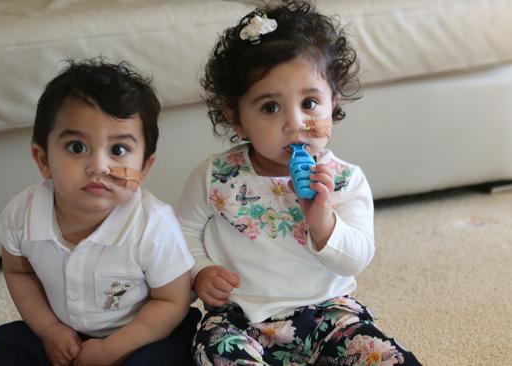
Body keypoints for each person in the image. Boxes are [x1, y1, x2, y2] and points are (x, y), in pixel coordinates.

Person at [177, 1, 421, 364]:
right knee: (213, 351)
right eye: (271, 108)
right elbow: (181, 232)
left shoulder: (344, 180)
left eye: (309, 102)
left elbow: (356, 258)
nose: (295, 123)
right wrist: (200, 271)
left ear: (332, 103)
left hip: (328, 313)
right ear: (237, 119)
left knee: (383, 356)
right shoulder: (217, 175)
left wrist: (324, 222)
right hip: (240, 316)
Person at [0, 58, 199, 366]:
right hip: (68, 333)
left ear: (145, 168)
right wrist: (49, 330)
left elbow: (172, 301)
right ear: (43, 159)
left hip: (143, 334)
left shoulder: (153, 224)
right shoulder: (23, 214)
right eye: (76, 147)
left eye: (118, 150)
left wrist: (111, 350)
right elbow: (19, 271)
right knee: (6, 345)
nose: (99, 166)